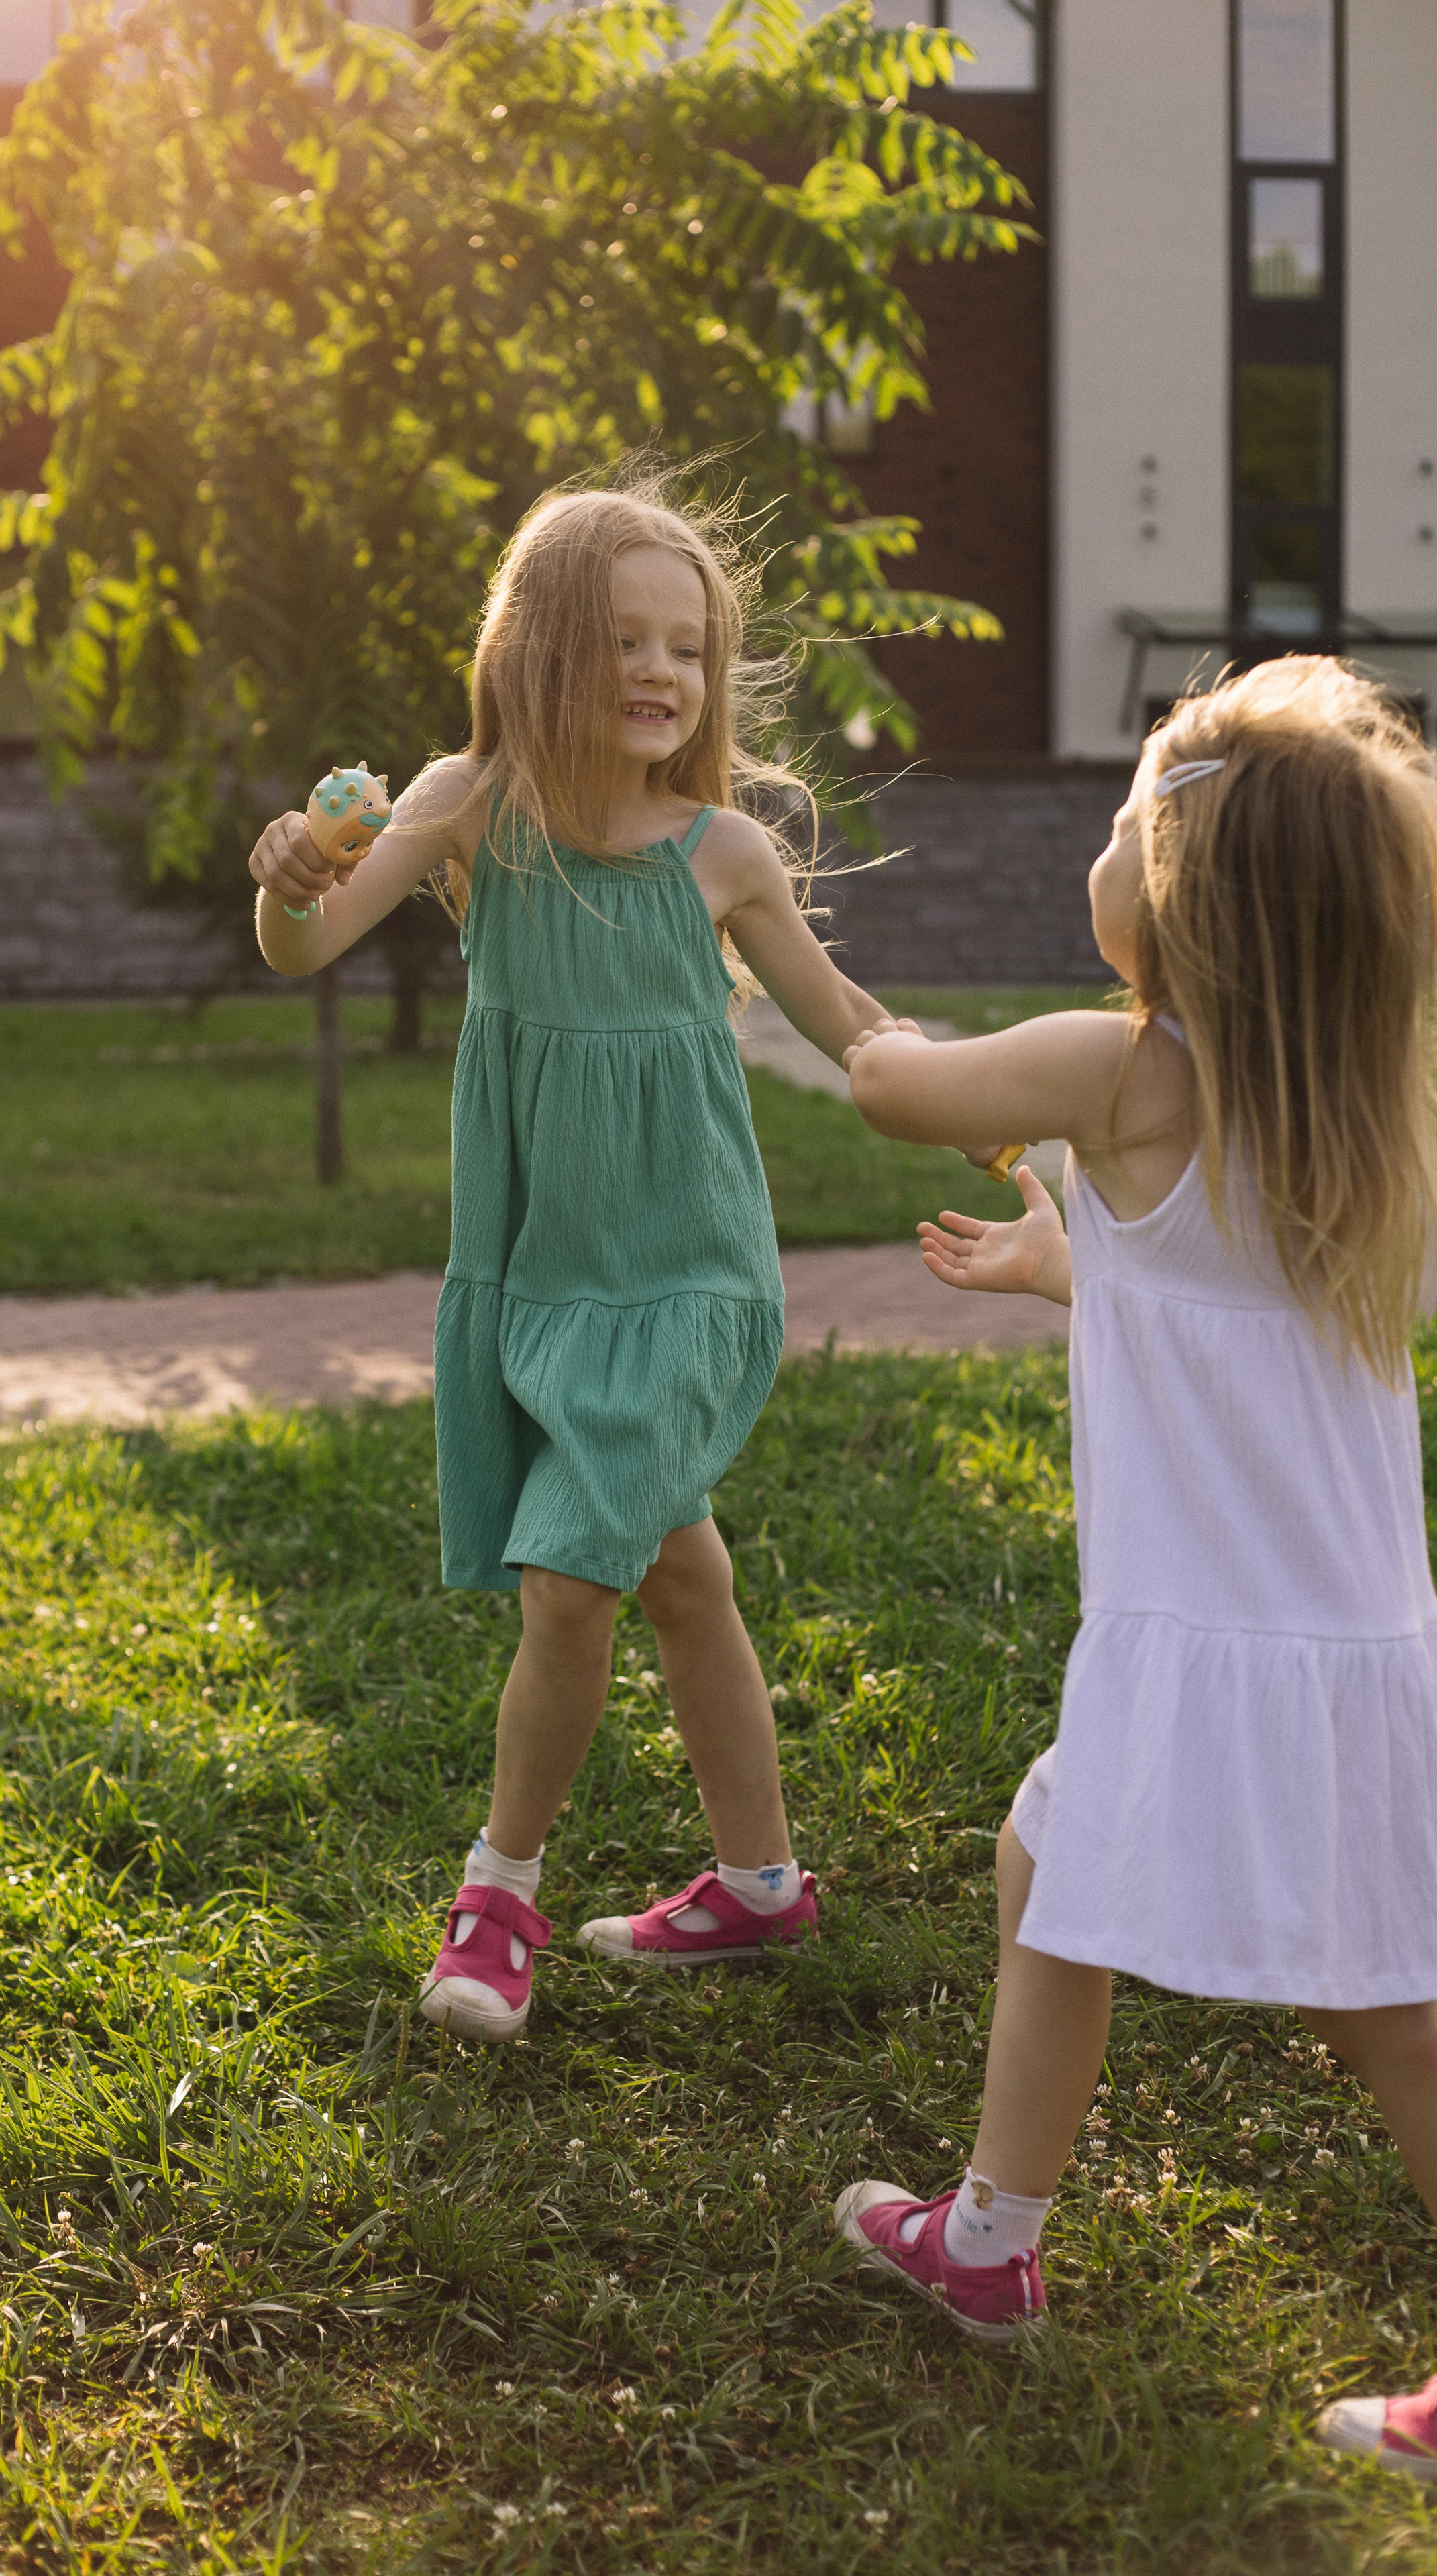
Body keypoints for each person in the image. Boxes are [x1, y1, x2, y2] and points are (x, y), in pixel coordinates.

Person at [835, 658, 1437, 2483]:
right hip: (1359, 1655)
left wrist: (774, 950)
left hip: (1201, 1661)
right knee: (1368, 2007)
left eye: (1121, 817)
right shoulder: (1346, 1119)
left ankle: (991, 2251)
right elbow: (1222, 1339)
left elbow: (893, 1088)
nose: (1098, 839)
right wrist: (1064, 1274)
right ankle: (991, 2241)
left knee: (1063, 1885)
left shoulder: (1118, 1068)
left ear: (1177, 890)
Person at [248, 481, 910, 2043]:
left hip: (688, 1281)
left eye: (685, 646)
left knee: (567, 1589)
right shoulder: (469, 808)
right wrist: (283, 878)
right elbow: (308, 946)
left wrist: (1004, 1113)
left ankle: (497, 1896)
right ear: (534, 646)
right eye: (623, 639)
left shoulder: (720, 853)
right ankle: (757, 1886)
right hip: (542, 1281)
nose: (661, 673)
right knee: (679, 1572)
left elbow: (856, 1038)